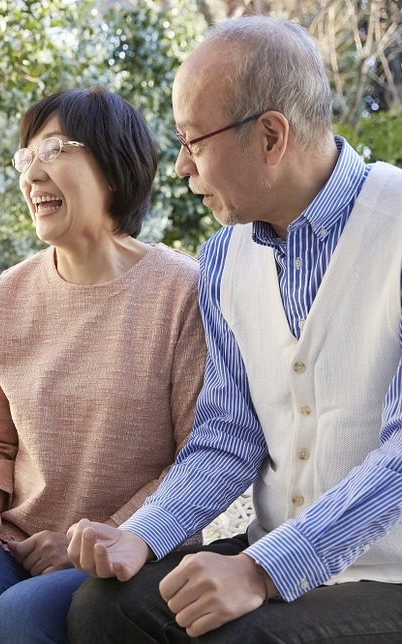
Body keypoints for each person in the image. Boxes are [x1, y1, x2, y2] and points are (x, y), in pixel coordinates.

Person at [66, 15, 402, 643]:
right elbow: (229, 433)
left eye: (193, 142)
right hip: (269, 556)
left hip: (391, 577)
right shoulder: (225, 259)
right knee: (102, 609)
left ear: (271, 135)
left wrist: (260, 570)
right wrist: (144, 534)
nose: (180, 168)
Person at [0, 87, 208, 643]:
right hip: (18, 542)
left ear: (113, 167)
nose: (31, 175)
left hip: (137, 547)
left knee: (23, 615)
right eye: (26, 158)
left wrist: (101, 536)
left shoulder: (181, 292)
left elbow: (199, 457)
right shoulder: (7, 297)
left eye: (52, 152)